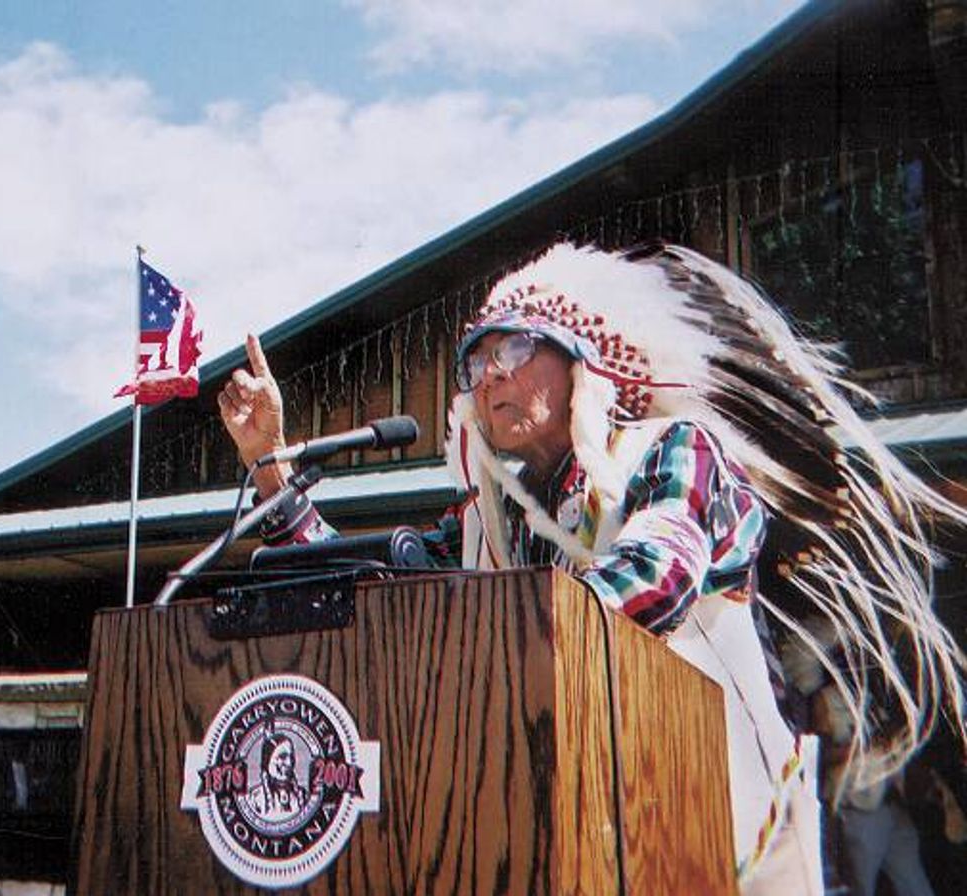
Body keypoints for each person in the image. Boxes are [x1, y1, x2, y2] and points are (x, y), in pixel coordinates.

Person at [218, 241, 967, 893]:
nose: (487, 377)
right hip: (579, 833)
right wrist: (270, 471)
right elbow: (373, 593)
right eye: (474, 361)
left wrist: (474, 654)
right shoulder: (492, 519)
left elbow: (652, 578)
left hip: (721, 834)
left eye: (510, 351)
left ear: (582, 365)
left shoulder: (674, 452)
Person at [247, 732, 309, 821]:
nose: (289, 763)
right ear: (267, 761)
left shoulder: (303, 796)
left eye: (291, 757)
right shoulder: (254, 799)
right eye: (282, 757)